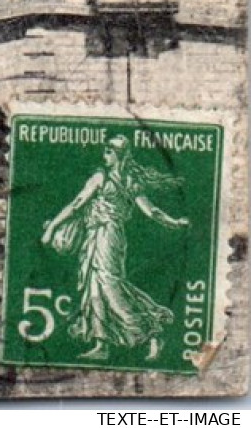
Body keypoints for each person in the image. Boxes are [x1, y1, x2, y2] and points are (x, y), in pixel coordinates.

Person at [41, 135, 189, 361]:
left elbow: (150, 210)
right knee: (93, 290)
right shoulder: (102, 177)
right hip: (94, 235)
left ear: (119, 155)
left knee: (110, 287)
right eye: (105, 150)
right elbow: (78, 203)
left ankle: (152, 333)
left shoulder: (123, 180)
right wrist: (52, 226)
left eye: (109, 151)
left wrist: (173, 222)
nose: (104, 154)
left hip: (109, 237)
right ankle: (102, 345)